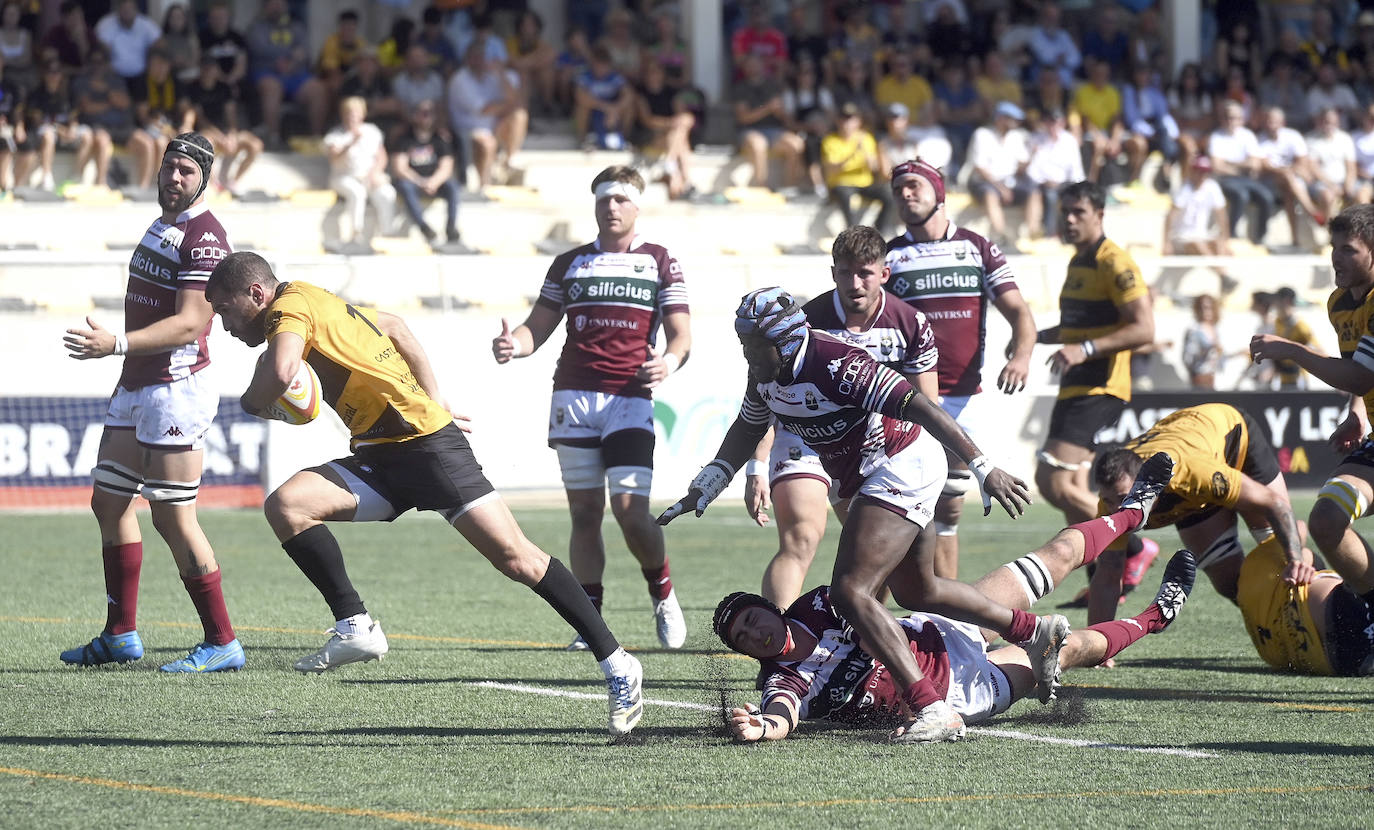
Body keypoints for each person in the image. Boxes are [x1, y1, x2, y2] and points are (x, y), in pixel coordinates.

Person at [203, 252, 644, 738]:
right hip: (380, 455)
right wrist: (435, 397)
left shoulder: (289, 310)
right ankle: (356, 626)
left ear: (257, 295)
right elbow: (393, 326)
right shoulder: (312, 299)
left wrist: (251, 402)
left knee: (519, 560)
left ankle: (620, 665)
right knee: (287, 506)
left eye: (224, 310)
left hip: (426, 448)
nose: (223, 326)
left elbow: (283, 370)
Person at [659, 287, 1056, 744]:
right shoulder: (766, 371)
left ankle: (931, 708)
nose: (747, 351)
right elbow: (750, 423)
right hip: (870, 476)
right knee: (916, 589)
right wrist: (712, 479)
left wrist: (982, 466)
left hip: (901, 462)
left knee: (851, 591)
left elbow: (921, 405)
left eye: (753, 343)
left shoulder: (835, 363)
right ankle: (1031, 630)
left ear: (785, 340)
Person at [722, 461, 1193, 742]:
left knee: (1056, 554)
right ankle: (1156, 617)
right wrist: (764, 728)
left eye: (751, 618)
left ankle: (1132, 511)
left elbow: (870, 624)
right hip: (963, 693)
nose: (754, 633)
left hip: (946, 630)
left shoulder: (816, 605)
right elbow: (782, 713)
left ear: (770, 608)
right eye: (743, 639)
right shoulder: (783, 680)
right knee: (1070, 651)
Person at [59, 133, 243, 674]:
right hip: (136, 381)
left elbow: (191, 321)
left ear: (203, 179)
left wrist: (114, 342)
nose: (174, 178)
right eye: (169, 168)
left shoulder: (206, 237)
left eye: (186, 171)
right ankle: (120, 634)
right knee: (109, 503)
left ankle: (222, 640)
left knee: (171, 515)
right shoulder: (163, 224)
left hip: (175, 388)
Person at [492, 166, 691, 651]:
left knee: (630, 512)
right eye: (604, 198)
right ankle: (591, 619)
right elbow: (536, 328)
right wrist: (512, 345)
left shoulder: (660, 261)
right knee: (584, 513)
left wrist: (668, 362)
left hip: (629, 399)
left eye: (621, 198)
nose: (612, 206)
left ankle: (662, 594)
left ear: (637, 205)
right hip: (574, 398)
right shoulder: (570, 263)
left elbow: (682, 335)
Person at [741, 225, 940, 608]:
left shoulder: (910, 323)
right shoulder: (803, 319)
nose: (855, 282)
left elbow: (926, 402)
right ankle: (779, 649)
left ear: (884, 273)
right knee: (800, 537)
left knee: (876, 555)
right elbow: (764, 391)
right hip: (804, 436)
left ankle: (861, 636)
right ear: (833, 273)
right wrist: (757, 465)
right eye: (845, 272)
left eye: (864, 272)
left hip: (874, 446)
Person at [885, 159, 1038, 580]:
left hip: (964, 397)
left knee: (949, 508)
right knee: (903, 503)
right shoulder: (889, 257)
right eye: (898, 189)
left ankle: (942, 609)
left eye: (914, 185)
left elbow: (1021, 314)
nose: (905, 194)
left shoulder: (977, 248)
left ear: (939, 192)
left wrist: (1021, 356)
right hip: (907, 399)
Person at [1251, 205, 1374, 623]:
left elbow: (1358, 376)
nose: (1337, 258)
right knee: (1325, 519)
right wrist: (1358, 413)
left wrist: (1290, 349)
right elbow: (1361, 375)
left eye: (1350, 250)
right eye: (1333, 248)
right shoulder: (1340, 302)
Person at [1091, 404, 1308, 628]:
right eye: (1109, 500)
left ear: (1147, 484)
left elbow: (1274, 504)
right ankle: (1281, 628)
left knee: (1278, 547)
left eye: (1125, 497)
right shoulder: (1110, 505)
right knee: (1228, 581)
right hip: (1189, 461)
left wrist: (1296, 560)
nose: (1119, 509)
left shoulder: (1189, 473)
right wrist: (1099, 647)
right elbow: (1109, 572)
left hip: (1229, 438)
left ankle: (1328, 602)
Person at [1035, 180, 1154, 526]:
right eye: (1065, 212)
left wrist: (1084, 350)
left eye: (1078, 212)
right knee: (1074, 488)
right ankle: (1105, 573)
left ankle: (1132, 547)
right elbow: (1075, 329)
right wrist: (1031, 337)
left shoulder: (1114, 262)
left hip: (1100, 386)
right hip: (1077, 384)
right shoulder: (1078, 263)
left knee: (1052, 481)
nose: (1069, 220)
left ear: (1099, 215)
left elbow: (1144, 329)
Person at [448, 37, 527, 189]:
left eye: (482, 56)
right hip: (466, 129)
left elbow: (515, 101)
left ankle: (509, 162)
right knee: (487, 142)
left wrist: (501, 74)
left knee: (519, 115)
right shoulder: (460, 79)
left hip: (492, 126)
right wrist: (507, 105)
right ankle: (485, 186)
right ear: (468, 59)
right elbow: (485, 110)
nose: (479, 60)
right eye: (475, 56)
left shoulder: (492, 75)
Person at [389, 99, 464, 251]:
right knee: (405, 186)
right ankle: (424, 227)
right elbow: (399, 167)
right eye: (423, 113)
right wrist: (420, 181)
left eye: (429, 114)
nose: (426, 117)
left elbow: (447, 166)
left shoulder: (440, 138)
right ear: (414, 115)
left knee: (453, 186)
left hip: (434, 182)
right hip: (413, 182)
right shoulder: (405, 138)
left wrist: (433, 182)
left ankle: (451, 228)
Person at [322, 96, 394, 249]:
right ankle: (356, 234)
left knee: (387, 193)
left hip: (368, 176)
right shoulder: (336, 135)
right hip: (343, 177)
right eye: (349, 113)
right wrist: (350, 142)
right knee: (357, 193)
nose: (352, 117)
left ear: (363, 114)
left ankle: (387, 234)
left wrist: (375, 173)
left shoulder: (372, 131)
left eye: (356, 113)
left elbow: (382, 156)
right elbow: (333, 157)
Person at [820, 103, 896, 234]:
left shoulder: (866, 138)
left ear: (858, 122)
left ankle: (879, 232)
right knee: (845, 193)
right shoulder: (830, 140)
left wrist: (866, 154)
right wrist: (853, 153)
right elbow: (832, 169)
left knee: (889, 193)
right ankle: (853, 232)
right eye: (844, 118)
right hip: (841, 184)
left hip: (864, 184)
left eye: (851, 119)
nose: (847, 123)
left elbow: (874, 168)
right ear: (838, 121)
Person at [965, 101, 1032, 248]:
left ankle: (1032, 234)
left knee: (1034, 190)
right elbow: (980, 169)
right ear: (1000, 118)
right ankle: (1001, 235)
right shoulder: (982, 134)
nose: (1016, 122)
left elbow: (1021, 166)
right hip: (982, 181)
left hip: (1008, 182)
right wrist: (1001, 188)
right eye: (1012, 119)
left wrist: (1032, 155)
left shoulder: (1016, 136)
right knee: (990, 193)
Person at [1270, 286, 1321, 389]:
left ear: (1286, 301)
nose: (1274, 303)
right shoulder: (1277, 322)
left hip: (1298, 381)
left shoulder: (1300, 326)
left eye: (1277, 300)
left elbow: (1318, 351)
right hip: (1282, 379)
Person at [1181, 295, 1225, 389]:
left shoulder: (1215, 329)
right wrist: (1206, 349)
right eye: (1203, 308)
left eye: (1209, 308)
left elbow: (1219, 356)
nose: (1206, 312)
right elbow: (1188, 358)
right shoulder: (1194, 330)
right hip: (1199, 377)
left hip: (1212, 377)